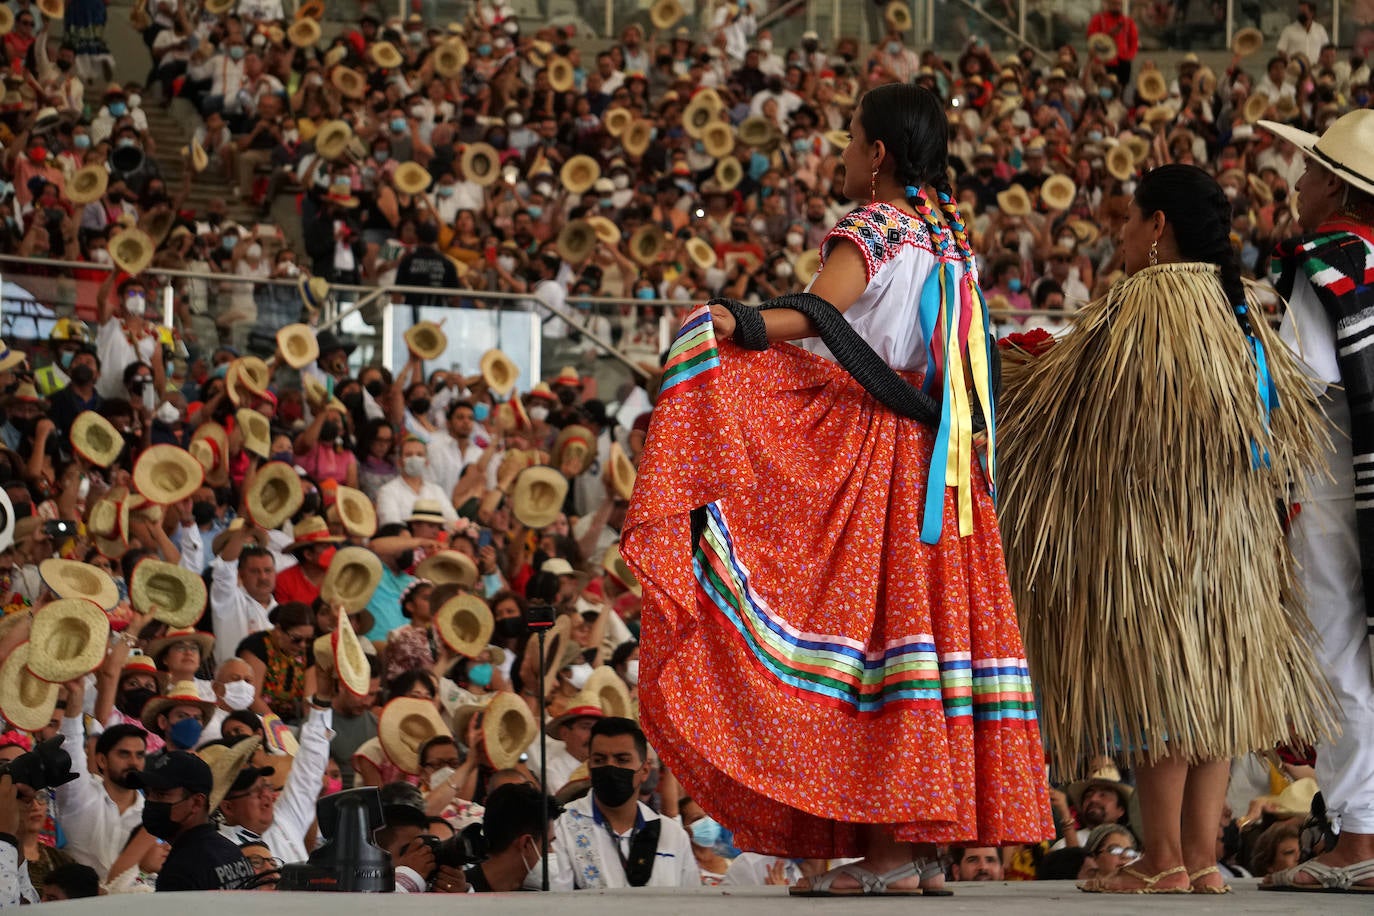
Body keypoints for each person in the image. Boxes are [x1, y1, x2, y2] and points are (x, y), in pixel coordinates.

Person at [622, 82, 1052, 896]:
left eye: (852, 139)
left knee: (864, 639)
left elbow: (822, 313)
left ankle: (888, 855)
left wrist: (734, 322)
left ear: (879, 153)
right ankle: (913, 851)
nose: (844, 153)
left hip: (875, 457)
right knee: (910, 648)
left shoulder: (876, 226)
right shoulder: (950, 239)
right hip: (941, 464)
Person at [996, 163, 1335, 894]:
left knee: (1159, 686)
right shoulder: (1236, 307)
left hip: (1156, 535)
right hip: (1235, 536)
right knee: (1213, 685)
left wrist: (1016, 368)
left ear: (1159, 227)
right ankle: (1203, 861)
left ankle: (1160, 861)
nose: (1120, 236)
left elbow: (1066, 402)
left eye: (1129, 221)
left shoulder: (1140, 303)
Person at [1262, 107, 1374, 892]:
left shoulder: (1327, 257)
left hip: (1335, 477)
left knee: (1338, 650)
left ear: (1334, 182)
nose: (1297, 181)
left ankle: (1361, 837)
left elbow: (1301, 384)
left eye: (1307, 169)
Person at [550, 717, 696, 889]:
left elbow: (691, 902)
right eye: (599, 760)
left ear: (644, 771)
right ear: (590, 767)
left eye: (622, 759)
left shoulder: (672, 834)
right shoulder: (560, 826)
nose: (610, 767)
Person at [131, 751, 256, 891]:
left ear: (196, 803)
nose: (150, 802)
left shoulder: (180, 869)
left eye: (161, 795)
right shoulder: (232, 852)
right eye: (148, 794)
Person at [465, 783, 560, 892]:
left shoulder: (538, 897)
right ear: (526, 844)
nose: (552, 851)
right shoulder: (456, 891)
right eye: (547, 844)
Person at [1087, 0, 1139, 86]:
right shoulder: (1098, 19)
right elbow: (1092, 39)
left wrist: (1129, 56)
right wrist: (1109, 34)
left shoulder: (1128, 21)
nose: (1117, 6)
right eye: (1114, 4)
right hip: (1104, 61)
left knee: (1122, 87)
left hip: (1122, 61)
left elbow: (1134, 41)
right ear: (1107, 4)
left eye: (1119, 4)